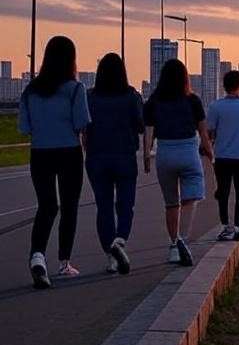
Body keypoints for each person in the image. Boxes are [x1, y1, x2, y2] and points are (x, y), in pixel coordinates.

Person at [18, 36, 91, 288]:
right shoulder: (76, 89)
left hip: (40, 153)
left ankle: (37, 256)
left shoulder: (30, 91)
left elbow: (24, 128)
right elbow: (81, 123)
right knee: (69, 207)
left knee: (47, 206)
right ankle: (64, 262)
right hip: (69, 152)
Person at [143, 59, 213, 266]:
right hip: (188, 151)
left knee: (171, 203)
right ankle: (181, 238)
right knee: (192, 196)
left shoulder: (154, 101)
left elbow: (149, 132)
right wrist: (211, 154)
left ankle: (174, 246)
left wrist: (147, 156)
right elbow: (203, 132)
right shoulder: (193, 100)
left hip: (164, 152)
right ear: (185, 78)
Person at [84, 53, 144, 275]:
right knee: (126, 204)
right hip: (124, 156)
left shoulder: (90, 97)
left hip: (97, 157)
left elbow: (84, 125)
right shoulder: (132, 96)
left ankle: (111, 257)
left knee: (104, 207)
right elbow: (140, 125)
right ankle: (120, 240)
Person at [207, 71, 239, 241]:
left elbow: (210, 133)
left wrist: (209, 152)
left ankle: (224, 225)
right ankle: (238, 226)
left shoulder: (215, 106)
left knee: (223, 193)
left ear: (224, 86)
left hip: (222, 157)